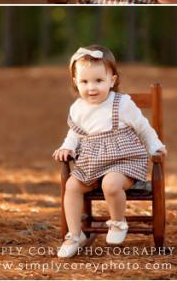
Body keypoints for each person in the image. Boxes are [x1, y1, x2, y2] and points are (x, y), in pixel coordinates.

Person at [52, 46, 167, 258]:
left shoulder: (122, 103)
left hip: (123, 161)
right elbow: (74, 134)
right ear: (75, 82)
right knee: (72, 186)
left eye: (98, 81)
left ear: (112, 80)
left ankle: (117, 223)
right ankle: (75, 235)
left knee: (110, 184)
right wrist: (67, 146)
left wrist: (155, 146)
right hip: (91, 163)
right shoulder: (77, 108)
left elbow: (143, 127)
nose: (91, 88)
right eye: (84, 82)